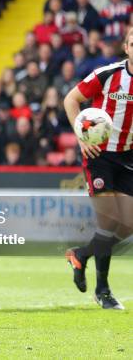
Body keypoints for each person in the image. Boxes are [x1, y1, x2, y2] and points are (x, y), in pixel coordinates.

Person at [63, 28, 133, 310]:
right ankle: (102, 290)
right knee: (109, 220)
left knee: (127, 223)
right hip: (99, 154)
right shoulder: (108, 74)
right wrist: (81, 137)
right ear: (126, 47)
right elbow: (71, 99)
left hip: (128, 156)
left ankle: (81, 254)